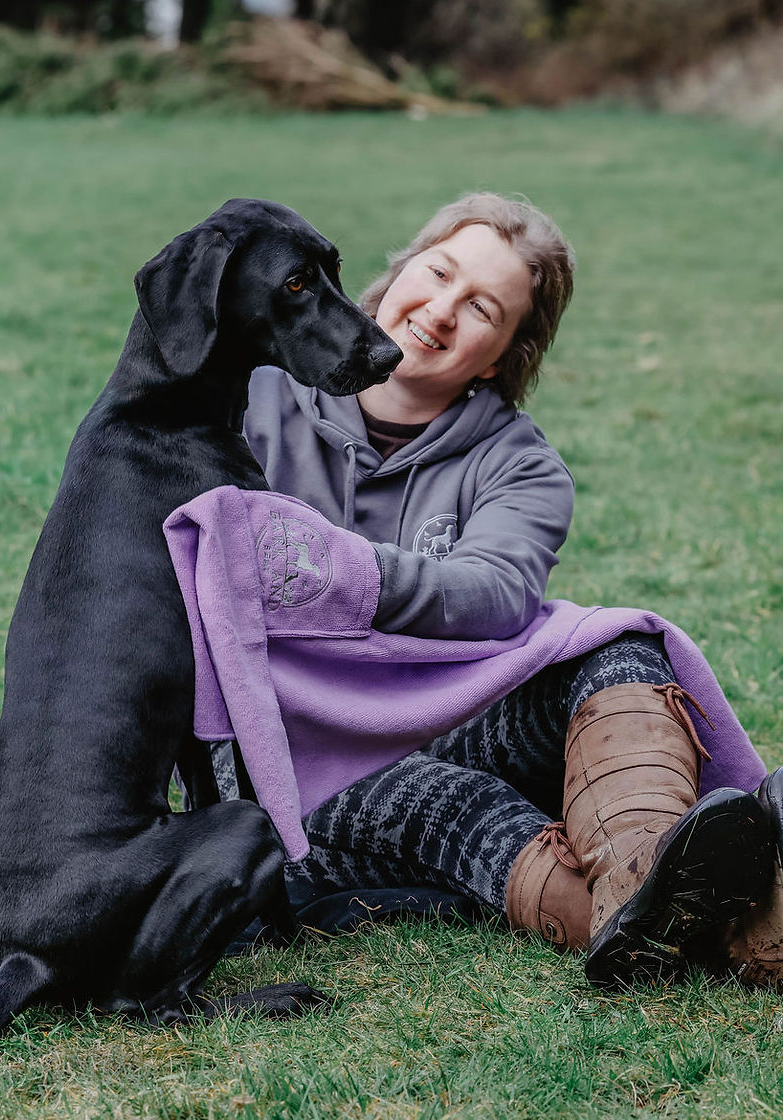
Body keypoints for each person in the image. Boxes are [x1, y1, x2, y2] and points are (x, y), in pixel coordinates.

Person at [230, 192, 783, 989]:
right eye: (438, 272)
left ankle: (644, 871)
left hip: (448, 715)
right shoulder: (254, 396)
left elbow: (493, 594)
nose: (442, 310)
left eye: (481, 307)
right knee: (446, 801)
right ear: (395, 276)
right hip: (282, 746)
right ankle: (740, 931)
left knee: (620, 647)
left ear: (499, 356)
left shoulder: (522, 465)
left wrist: (331, 570)